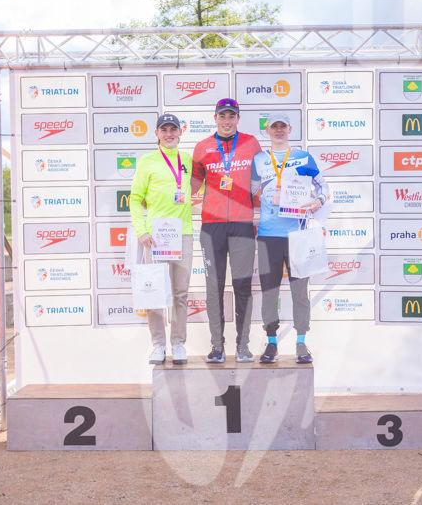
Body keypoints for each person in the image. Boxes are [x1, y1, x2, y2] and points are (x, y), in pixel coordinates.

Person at [250, 114, 329, 364]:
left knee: (300, 293)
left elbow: (323, 187)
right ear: (267, 130)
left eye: (282, 126)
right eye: (274, 126)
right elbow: (250, 191)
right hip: (268, 235)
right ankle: (271, 342)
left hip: (298, 235)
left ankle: (301, 342)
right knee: (269, 292)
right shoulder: (259, 160)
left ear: (290, 129)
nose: (279, 130)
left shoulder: (303, 157)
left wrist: (318, 201)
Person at [192, 98, 262, 363]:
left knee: (243, 286)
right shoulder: (202, 147)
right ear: (215, 118)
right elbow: (191, 187)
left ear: (238, 118)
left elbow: (261, 180)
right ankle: (217, 347)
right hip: (212, 227)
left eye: (231, 116)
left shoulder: (251, 143)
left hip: (243, 224)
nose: (227, 120)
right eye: (222, 116)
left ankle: (243, 346)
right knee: (214, 287)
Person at [129, 113, 194, 365]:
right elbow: (135, 199)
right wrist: (141, 230)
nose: (169, 134)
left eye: (173, 129)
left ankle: (178, 343)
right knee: (154, 291)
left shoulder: (187, 160)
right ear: (156, 133)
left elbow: (197, 189)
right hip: (155, 236)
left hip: (183, 233)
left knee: (180, 293)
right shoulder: (147, 161)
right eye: (164, 130)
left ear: (180, 132)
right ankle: (158, 345)